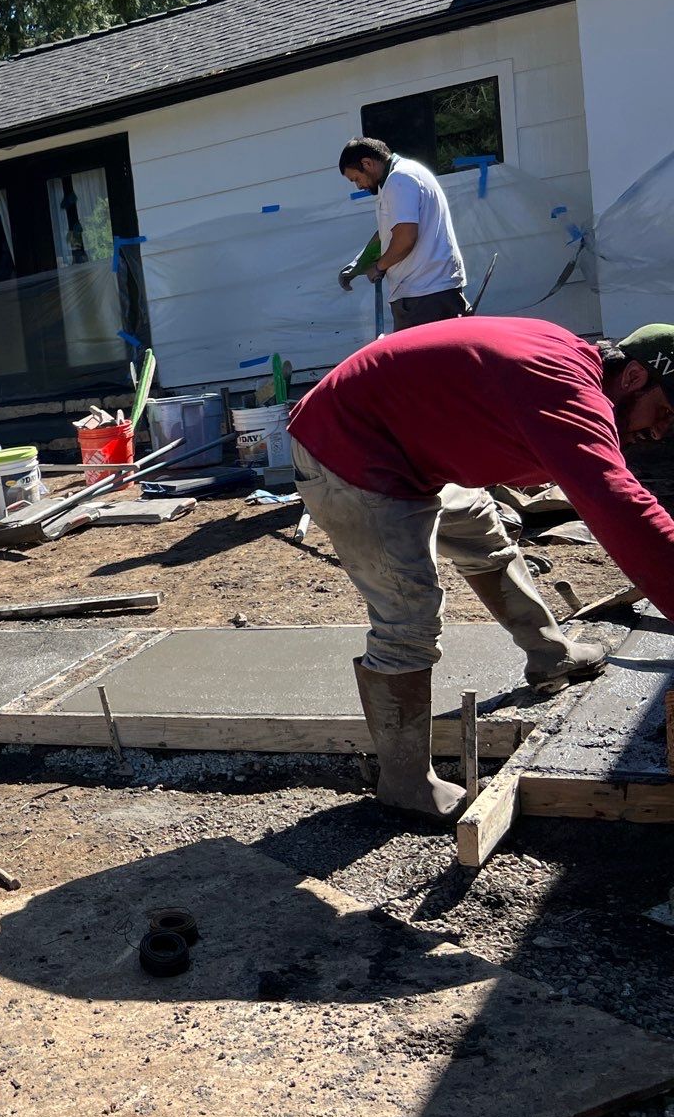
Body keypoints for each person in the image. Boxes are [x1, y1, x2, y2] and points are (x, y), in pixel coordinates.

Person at [287, 316, 674, 817]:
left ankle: (549, 653)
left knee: (481, 534)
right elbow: (622, 509)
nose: (661, 431)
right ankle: (405, 781)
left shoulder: (572, 363)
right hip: (349, 450)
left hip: (410, 444)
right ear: (636, 376)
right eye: (663, 411)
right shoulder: (566, 391)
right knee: (409, 614)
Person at [335, 137, 468, 331]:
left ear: (367, 163)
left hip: (424, 295)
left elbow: (405, 238)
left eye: (356, 178)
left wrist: (379, 267)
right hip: (429, 292)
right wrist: (357, 265)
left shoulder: (400, 180)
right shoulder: (404, 174)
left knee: (422, 361)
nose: (359, 186)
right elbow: (387, 232)